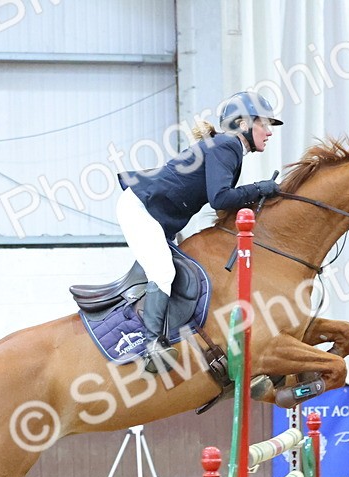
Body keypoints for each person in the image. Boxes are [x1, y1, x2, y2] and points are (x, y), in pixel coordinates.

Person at [116, 90, 283, 369]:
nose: (269, 132)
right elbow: (220, 198)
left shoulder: (227, 147)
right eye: (263, 124)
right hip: (140, 208)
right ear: (243, 124)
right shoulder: (226, 146)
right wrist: (260, 188)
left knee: (175, 272)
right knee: (163, 272)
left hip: (153, 213)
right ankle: (151, 347)